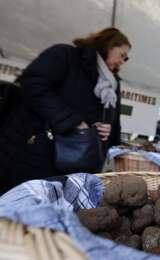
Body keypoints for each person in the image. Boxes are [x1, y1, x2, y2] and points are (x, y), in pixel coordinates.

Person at [0, 27, 131, 192]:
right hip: (33, 150)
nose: (122, 62)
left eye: (126, 59)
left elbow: (111, 119)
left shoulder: (114, 83)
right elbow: (32, 84)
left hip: (76, 161)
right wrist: (73, 121)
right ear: (108, 44)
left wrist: (107, 129)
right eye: (122, 55)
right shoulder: (66, 55)